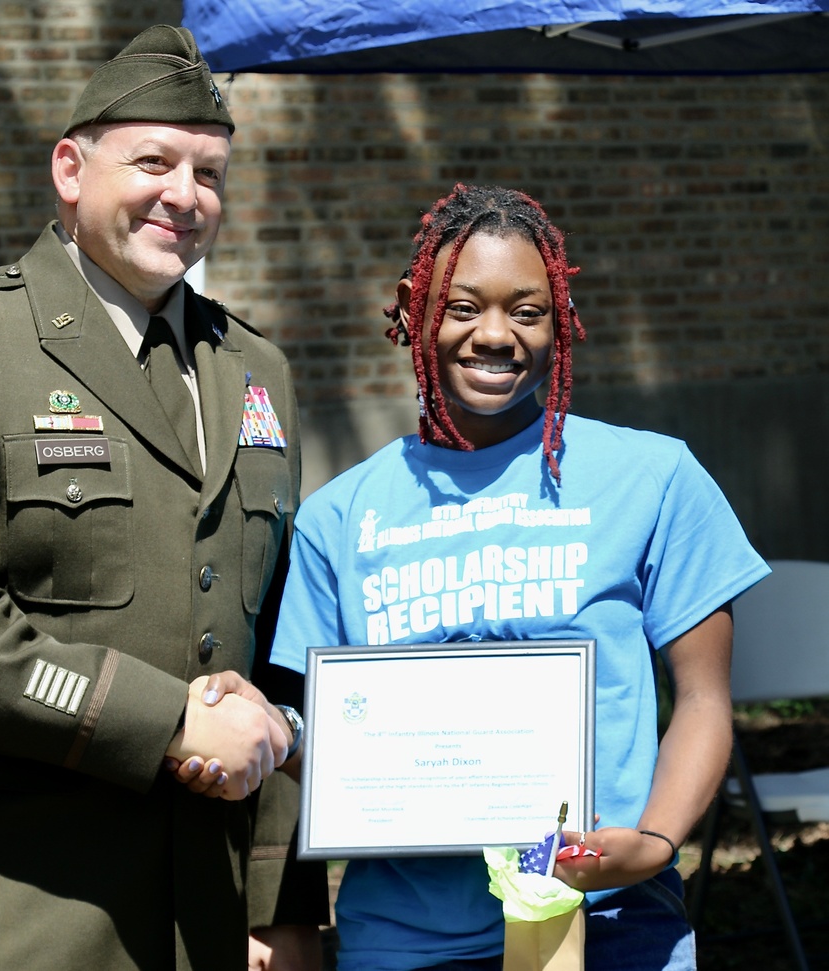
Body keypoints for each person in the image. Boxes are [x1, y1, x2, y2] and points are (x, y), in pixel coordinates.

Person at [0, 24, 326, 971]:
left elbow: (264, 654)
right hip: (2, 913)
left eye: (211, 173)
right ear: (71, 169)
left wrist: (276, 903)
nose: (186, 196)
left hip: (199, 921)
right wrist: (169, 720)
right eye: (154, 162)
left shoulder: (255, 368)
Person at [263, 183, 770, 971]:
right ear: (414, 306)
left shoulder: (654, 476)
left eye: (527, 311)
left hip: (610, 919)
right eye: (463, 307)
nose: (495, 335)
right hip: (405, 939)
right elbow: (312, 744)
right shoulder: (338, 517)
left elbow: (705, 700)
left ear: (560, 315)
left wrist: (654, 841)